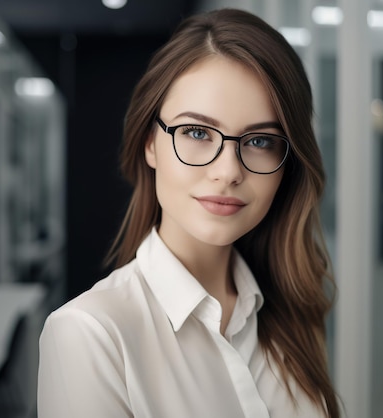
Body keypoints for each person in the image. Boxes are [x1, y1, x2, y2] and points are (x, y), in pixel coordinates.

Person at [38, 8, 339, 418]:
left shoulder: (292, 314)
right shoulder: (92, 334)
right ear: (150, 143)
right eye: (197, 132)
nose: (228, 171)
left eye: (260, 141)